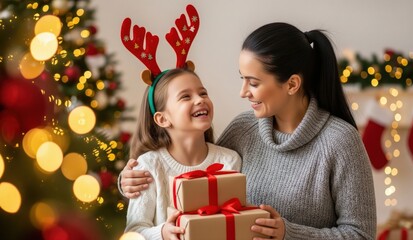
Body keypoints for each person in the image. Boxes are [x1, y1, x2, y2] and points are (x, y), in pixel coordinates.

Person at [120, 22, 377, 239]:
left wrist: (289, 233)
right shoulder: (244, 129)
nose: (243, 92)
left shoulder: (340, 142)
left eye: (253, 82)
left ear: (292, 84)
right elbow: (197, 165)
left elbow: (360, 234)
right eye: (242, 79)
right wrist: (131, 181)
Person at [124, 67, 242, 240]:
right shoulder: (149, 166)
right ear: (162, 119)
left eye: (203, 93)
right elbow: (133, 232)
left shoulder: (229, 160)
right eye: (186, 96)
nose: (200, 100)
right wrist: (162, 233)